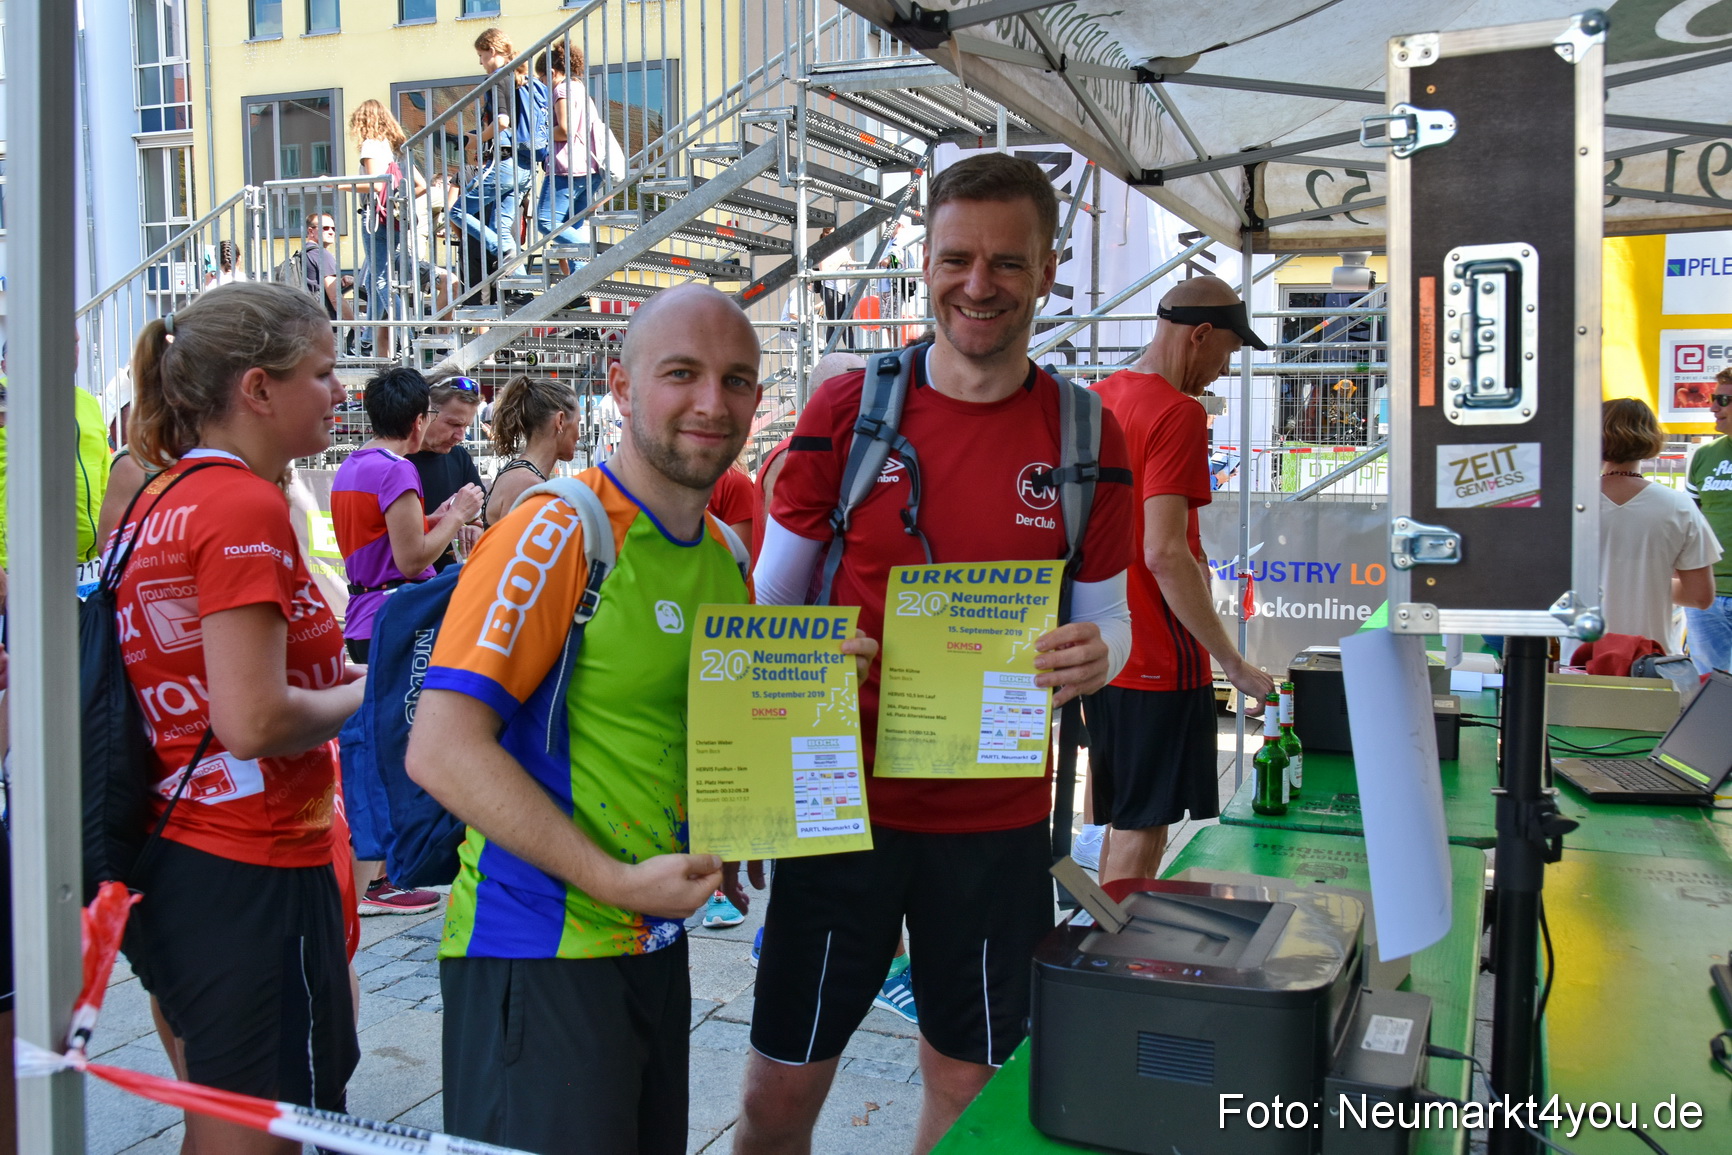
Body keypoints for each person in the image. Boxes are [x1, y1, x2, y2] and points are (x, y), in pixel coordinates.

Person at [736, 152, 1134, 1154]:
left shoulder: (1086, 435)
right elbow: (768, 606)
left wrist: (1099, 657)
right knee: (778, 1095)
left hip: (994, 826)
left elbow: (1111, 623)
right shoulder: (848, 411)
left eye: (1008, 262)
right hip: (840, 811)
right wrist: (819, 658)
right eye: (956, 257)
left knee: (967, 1086)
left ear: (1049, 271)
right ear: (924, 260)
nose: (978, 285)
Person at [406, 285, 836, 1154]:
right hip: (538, 951)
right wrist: (614, 881)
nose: (712, 403)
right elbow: (442, 749)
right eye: (681, 373)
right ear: (621, 385)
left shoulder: (726, 554)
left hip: (650, 940)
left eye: (737, 379)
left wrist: (740, 807)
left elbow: (675, 725)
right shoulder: (557, 530)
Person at [111, 283, 364, 1154]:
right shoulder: (243, 505)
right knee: (260, 1132)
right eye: (324, 373)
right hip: (246, 859)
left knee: (228, 1112)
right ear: (257, 388)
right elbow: (251, 718)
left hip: (185, 851)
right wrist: (385, 686)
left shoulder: (157, 497)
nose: (341, 392)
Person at [1084, 276, 1276, 886]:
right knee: (1143, 828)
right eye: (1228, 351)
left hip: (1102, 646)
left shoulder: (1098, 397)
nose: (1224, 368)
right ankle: (1109, 968)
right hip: (1156, 658)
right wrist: (1235, 664)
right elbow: (1166, 552)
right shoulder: (1178, 413)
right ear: (1199, 335)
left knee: (1116, 814)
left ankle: (1097, 941)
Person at [1590, 399, 1719, 650]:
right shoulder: (1679, 507)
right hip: (1652, 660)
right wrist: (1649, 584)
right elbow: (1700, 596)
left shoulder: (1570, 505)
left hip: (1579, 659)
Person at [0, 335, 113, 608]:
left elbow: (104, 479)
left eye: (72, 341)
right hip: (17, 570)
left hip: (89, 569)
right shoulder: (4, 403)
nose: (68, 349)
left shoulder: (86, 402)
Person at [449, 28, 545, 276]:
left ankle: (502, 252)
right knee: (501, 228)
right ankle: (521, 288)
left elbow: (502, 121)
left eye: (481, 55)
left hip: (505, 162)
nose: (480, 62)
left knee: (457, 211)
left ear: (491, 50)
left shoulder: (497, 78)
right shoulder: (523, 78)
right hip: (526, 165)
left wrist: (479, 138)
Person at [349, 100, 427, 359]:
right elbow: (421, 185)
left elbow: (374, 184)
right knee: (375, 278)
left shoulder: (371, 144)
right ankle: (367, 338)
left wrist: (337, 186)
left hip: (374, 216)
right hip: (394, 218)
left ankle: (407, 332)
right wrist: (395, 201)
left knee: (381, 278)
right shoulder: (397, 149)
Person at [534, 41, 617, 261]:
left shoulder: (561, 89)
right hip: (590, 168)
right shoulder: (579, 88)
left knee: (546, 221)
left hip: (567, 168)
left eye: (542, 79)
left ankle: (599, 255)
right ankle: (582, 290)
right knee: (574, 226)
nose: (542, 85)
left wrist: (539, 135)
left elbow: (564, 130)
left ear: (551, 73)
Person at [406, 376, 486, 572]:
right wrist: (452, 519)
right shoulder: (396, 461)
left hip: (450, 584)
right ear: (424, 414)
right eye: (453, 424)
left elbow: (478, 511)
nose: (460, 436)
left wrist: (475, 527)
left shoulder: (458, 456)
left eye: (466, 427)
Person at [483, 373, 581, 524]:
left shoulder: (521, 475)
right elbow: (514, 547)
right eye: (577, 423)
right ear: (560, 421)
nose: (579, 435)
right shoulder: (527, 484)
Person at [1685, 373, 1732, 674]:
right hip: (1707, 596)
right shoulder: (1704, 456)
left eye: (1723, 400)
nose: (1713, 407)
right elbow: (1692, 524)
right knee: (1708, 696)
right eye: (1713, 399)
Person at [298, 212, 354, 324]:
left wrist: (340, 282)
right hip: (323, 323)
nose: (331, 232)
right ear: (310, 231)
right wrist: (357, 327)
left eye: (333, 228)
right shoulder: (322, 254)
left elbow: (314, 285)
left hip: (306, 321)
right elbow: (335, 298)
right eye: (325, 228)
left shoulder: (302, 254)